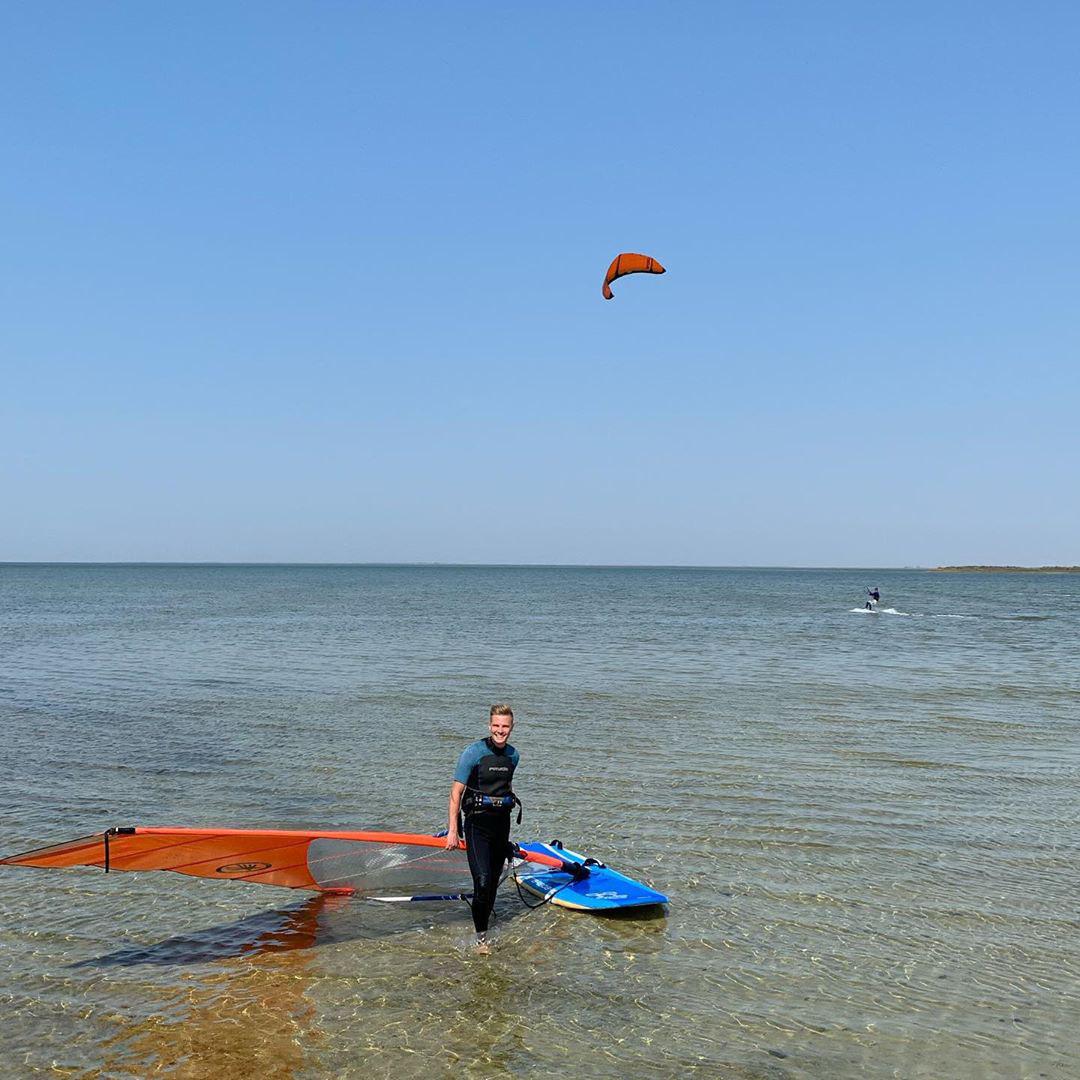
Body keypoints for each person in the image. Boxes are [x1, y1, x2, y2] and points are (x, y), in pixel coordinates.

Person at [445, 704, 520, 954]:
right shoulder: (473, 753)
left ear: (511, 728)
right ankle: (481, 941)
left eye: (505, 726)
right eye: (496, 726)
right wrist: (452, 831)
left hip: (501, 826)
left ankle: (484, 927)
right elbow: (456, 793)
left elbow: (503, 790)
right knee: (483, 880)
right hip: (477, 825)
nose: (500, 731)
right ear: (490, 726)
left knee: (492, 884)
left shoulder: (513, 756)